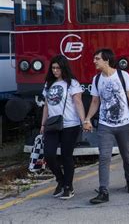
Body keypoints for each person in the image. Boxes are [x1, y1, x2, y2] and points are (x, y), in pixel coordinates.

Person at [85, 48, 129, 204]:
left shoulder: (123, 76)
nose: (94, 61)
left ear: (106, 60)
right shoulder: (97, 79)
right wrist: (88, 118)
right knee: (104, 157)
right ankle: (104, 191)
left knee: (127, 157)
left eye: (97, 58)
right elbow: (95, 101)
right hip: (105, 125)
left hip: (124, 124)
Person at [40, 55, 86, 200]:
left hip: (70, 125)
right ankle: (61, 180)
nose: (55, 71)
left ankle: (68, 187)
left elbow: (78, 103)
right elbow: (46, 106)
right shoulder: (48, 84)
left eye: (58, 68)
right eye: (53, 68)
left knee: (66, 156)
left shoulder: (72, 83)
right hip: (52, 125)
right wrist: (43, 124)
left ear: (63, 68)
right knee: (49, 154)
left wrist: (84, 121)